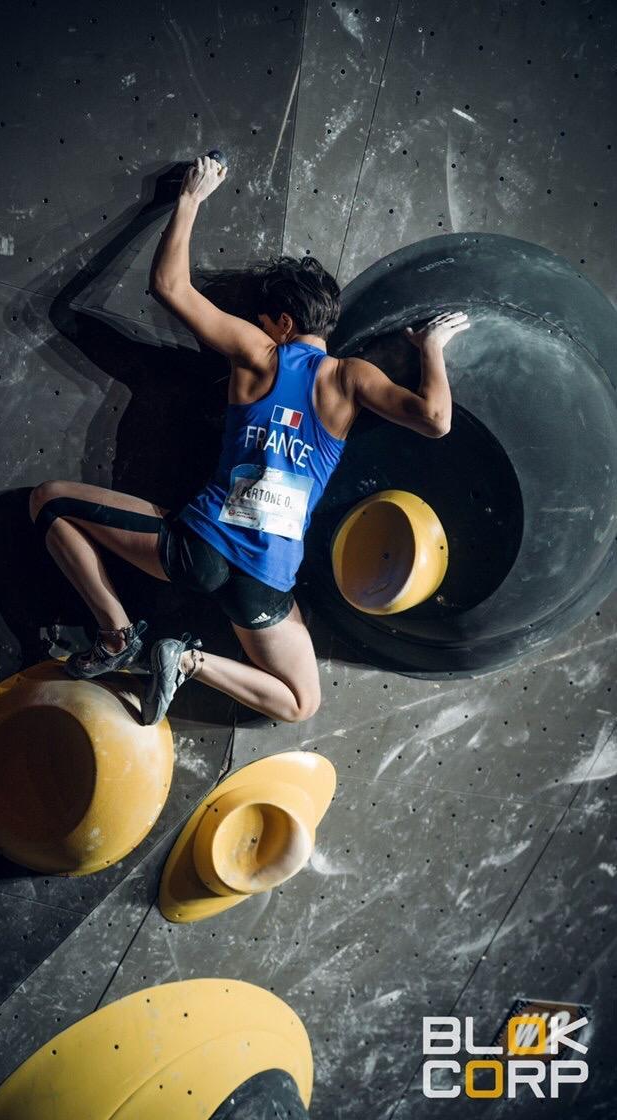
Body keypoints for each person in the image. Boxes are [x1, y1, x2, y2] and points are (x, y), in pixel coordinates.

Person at [29, 154, 469, 726]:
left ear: (283, 323)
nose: (261, 328)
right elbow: (437, 420)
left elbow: (168, 286)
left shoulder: (259, 354)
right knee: (300, 703)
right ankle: (187, 661)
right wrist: (430, 349)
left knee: (50, 501)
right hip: (264, 580)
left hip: (200, 550)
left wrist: (189, 198)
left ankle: (115, 635)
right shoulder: (350, 378)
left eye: (265, 319)